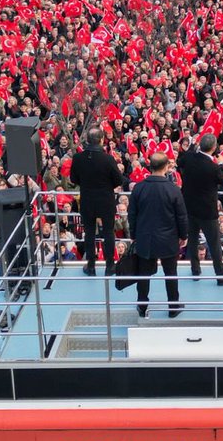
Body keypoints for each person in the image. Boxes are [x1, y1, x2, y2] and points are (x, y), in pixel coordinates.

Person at [127, 152, 188, 317]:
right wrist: (183, 236)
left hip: (145, 238)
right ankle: (173, 307)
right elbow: (181, 216)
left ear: (149, 166)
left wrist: (133, 234)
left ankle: (142, 306)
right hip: (168, 239)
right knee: (171, 274)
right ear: (166, 167)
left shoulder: (139, 188)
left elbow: (132, 214)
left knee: (143, 275)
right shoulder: (173, 189)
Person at [177, 134, 223, 284]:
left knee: (192, 239)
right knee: (214, 243)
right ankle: (220, 274)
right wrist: (221, 163)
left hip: (189, 207)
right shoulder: (213, 167)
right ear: (214, 148)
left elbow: (179, 161)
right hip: (207, 212)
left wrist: (192, 147)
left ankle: (195, 270)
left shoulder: (189, 158)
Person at [69, 127, 124, 276]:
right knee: (108, 233)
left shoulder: (78, 158)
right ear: (101, 140)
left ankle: (91, 266)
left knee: (89, 233)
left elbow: (73, 179)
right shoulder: (108, 159)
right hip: (105, 200)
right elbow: (118, 180)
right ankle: (110, 266)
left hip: (87, 200)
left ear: (87, 140)